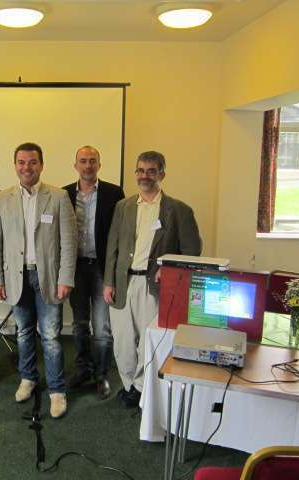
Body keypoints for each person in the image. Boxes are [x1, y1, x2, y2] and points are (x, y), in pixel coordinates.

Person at [103, 151, 202, 408]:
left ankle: (141, 388)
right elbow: (113, 246)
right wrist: (108, 282)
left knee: (149, 342)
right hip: (123, 284)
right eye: (140, 170)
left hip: (154, 287)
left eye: (150, 171)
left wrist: (169, 268)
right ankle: (128, 384)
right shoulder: (123, 207)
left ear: (162, 174)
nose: (144, 176)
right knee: (122, 342)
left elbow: (193, 251)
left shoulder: (179, 210)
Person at [0, 142, 77, 419]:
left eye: (33, 162)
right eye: (22, 162)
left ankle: (57, 391)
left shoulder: (58, 196)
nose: (27, 167)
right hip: (16, 277)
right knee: (23, 332)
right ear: (15, 165)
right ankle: (28, 378)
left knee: (50, 336)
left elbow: (69, 242)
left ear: (41, 164)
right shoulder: (2, 199)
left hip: (48, 276)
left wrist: (66, 278)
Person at [63, 146, 124, 400]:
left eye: (92, 161)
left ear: (99, 164)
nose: (88, 165)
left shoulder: (114, 193)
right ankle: (82, 369)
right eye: (83, 161)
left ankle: (101, 374)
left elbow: (120, 233)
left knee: (102, 327)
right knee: (79, 324)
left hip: (101, 268)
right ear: (75, 165)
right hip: (75, 267)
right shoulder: (64, 194)